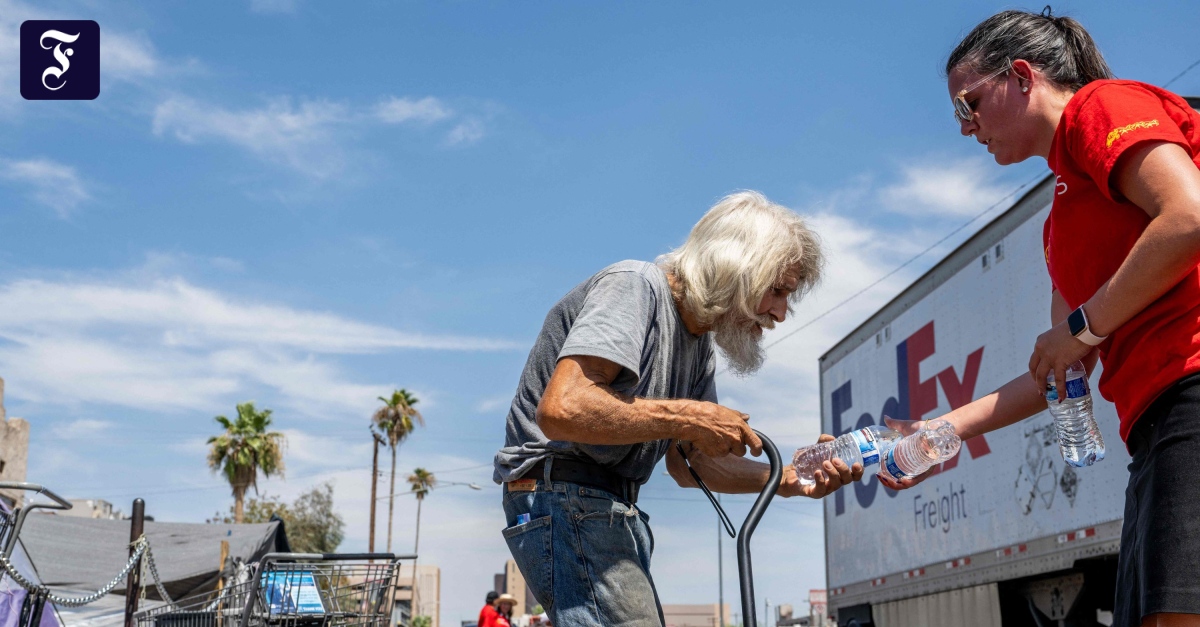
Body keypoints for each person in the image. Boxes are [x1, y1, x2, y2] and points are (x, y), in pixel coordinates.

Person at [880, 8, 1200, 627]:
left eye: (969, 104)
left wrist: (1080, 327)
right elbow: (1061, 367)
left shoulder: (1100, 107)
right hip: (1154, 426)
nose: (966, 128)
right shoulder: (1058, 219)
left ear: (1023, 77)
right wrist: (938, 433)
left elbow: (1187, 217)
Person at [494, 191, 863, 626]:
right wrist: (691, 416)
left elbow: (693, 467)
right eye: (778, 290)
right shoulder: (634, 286)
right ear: (736, 266)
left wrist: (786, 479)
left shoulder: (698, 343)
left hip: (601, 505)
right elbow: (562, 408)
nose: (780, 313)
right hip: (564, 495)